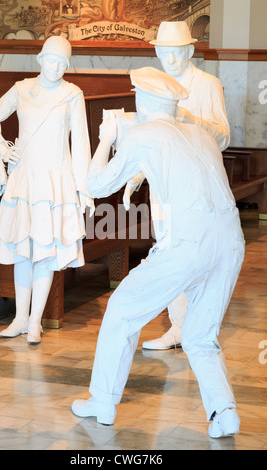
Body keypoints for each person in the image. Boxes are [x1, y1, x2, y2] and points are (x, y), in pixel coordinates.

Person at [71, 66, 245, 438]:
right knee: (200, 335)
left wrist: (105, 139)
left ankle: (102, 401)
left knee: (121, 311)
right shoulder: (199, 134)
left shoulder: (145, 134)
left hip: (188, 244)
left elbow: (96, 184)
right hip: (231, 242)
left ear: (142, 99)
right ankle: (224, 412)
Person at [125, 21, 231, 351]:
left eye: (177, 52)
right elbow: (149, 140)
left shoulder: (208, 84)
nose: (170, 59)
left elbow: (224, 136)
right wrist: (136, 175)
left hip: (200, 185)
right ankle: (179, 326)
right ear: (157, 52)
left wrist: (190, 119)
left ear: (189, 50)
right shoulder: (155, 87)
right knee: (171, 252)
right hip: (164, 183)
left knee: (201, 252)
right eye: (164, 52)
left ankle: (202, 326)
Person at [0, 35, 94, 344]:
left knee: (44, 253)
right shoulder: (22, 89)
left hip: (55, 181)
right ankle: (19, 318)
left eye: (63, 63)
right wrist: (2, 148)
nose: (56, 67)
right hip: (25, 180)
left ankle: (34, 321)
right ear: (40, 59)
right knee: (22, 252)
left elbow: (81, 143)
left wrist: (84, 189)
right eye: (52, 60)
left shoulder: (72, 95)